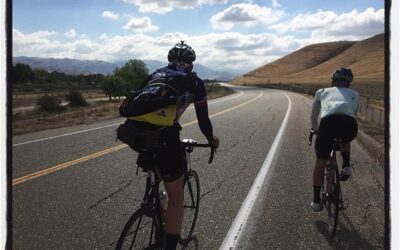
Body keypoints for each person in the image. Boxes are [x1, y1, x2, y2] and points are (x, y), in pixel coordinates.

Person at [130, 41, 219, 249]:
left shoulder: (155, 75)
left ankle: (151, 199)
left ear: (170, 60)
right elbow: (203, 120)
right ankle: (169, 245)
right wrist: (211, 140)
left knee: (155, 169)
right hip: (165, 137)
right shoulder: (194, 82)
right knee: (176, 195)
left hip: (134, 134)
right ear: (191, 63)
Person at [309, 67, 359, 212]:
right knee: (345, 139)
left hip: (328, 124)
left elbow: (313, 116)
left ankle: (317, 201)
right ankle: (347, 166)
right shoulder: (355, 93)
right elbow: (353, 115)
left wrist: (316, 130)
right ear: (349, 83)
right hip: (349, 125)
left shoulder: (322, 91)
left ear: (333, 81)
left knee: (320, 163)